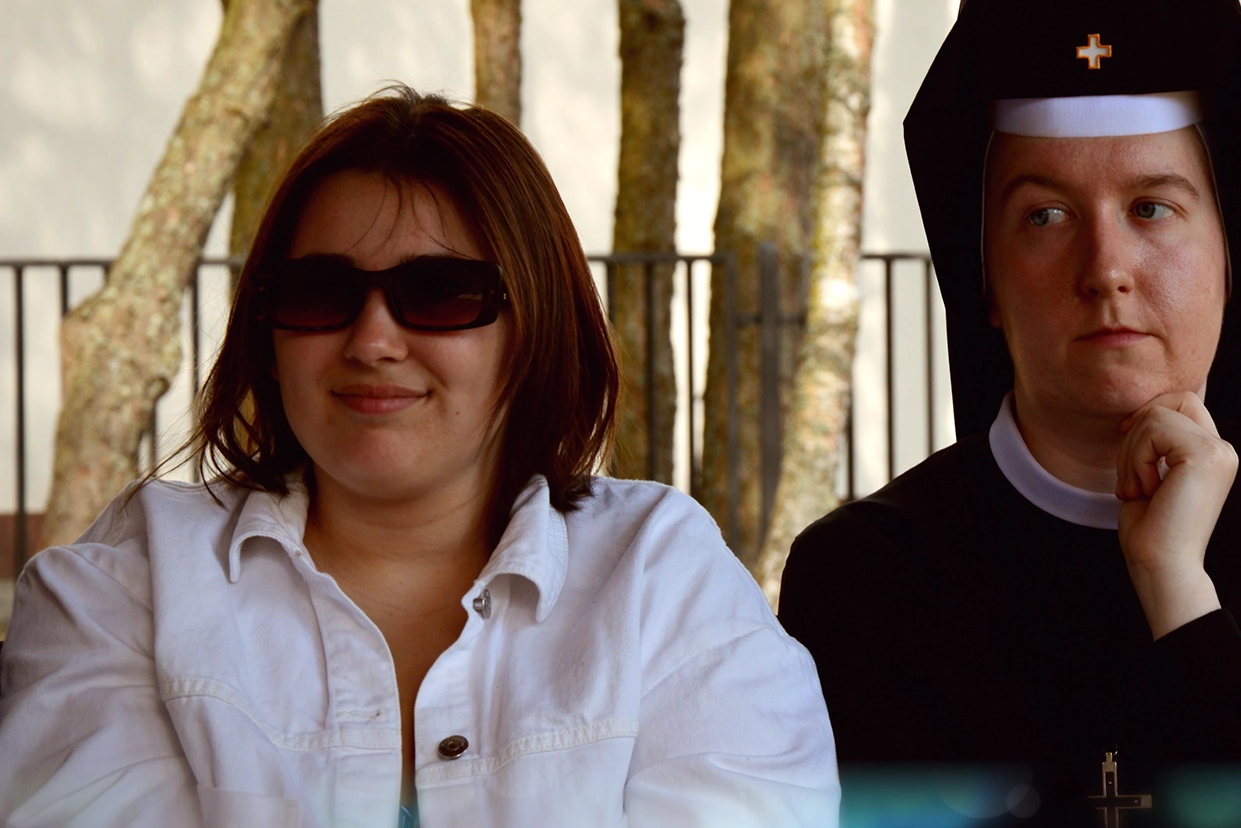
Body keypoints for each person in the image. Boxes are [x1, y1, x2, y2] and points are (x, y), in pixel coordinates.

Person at [777, 0, 1241, 827]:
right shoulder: (866, 583)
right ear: (987, 283)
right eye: (1046, 216)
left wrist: (1181, 598)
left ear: (1231, 261)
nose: (1106, 268)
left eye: (1152, 207)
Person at [0, 88, 840, 828]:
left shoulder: (661, 576)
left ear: (536, 329)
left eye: (440, 293)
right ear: (270, 331)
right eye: (320, 292)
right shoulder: (131, 586)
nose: (372, 340)